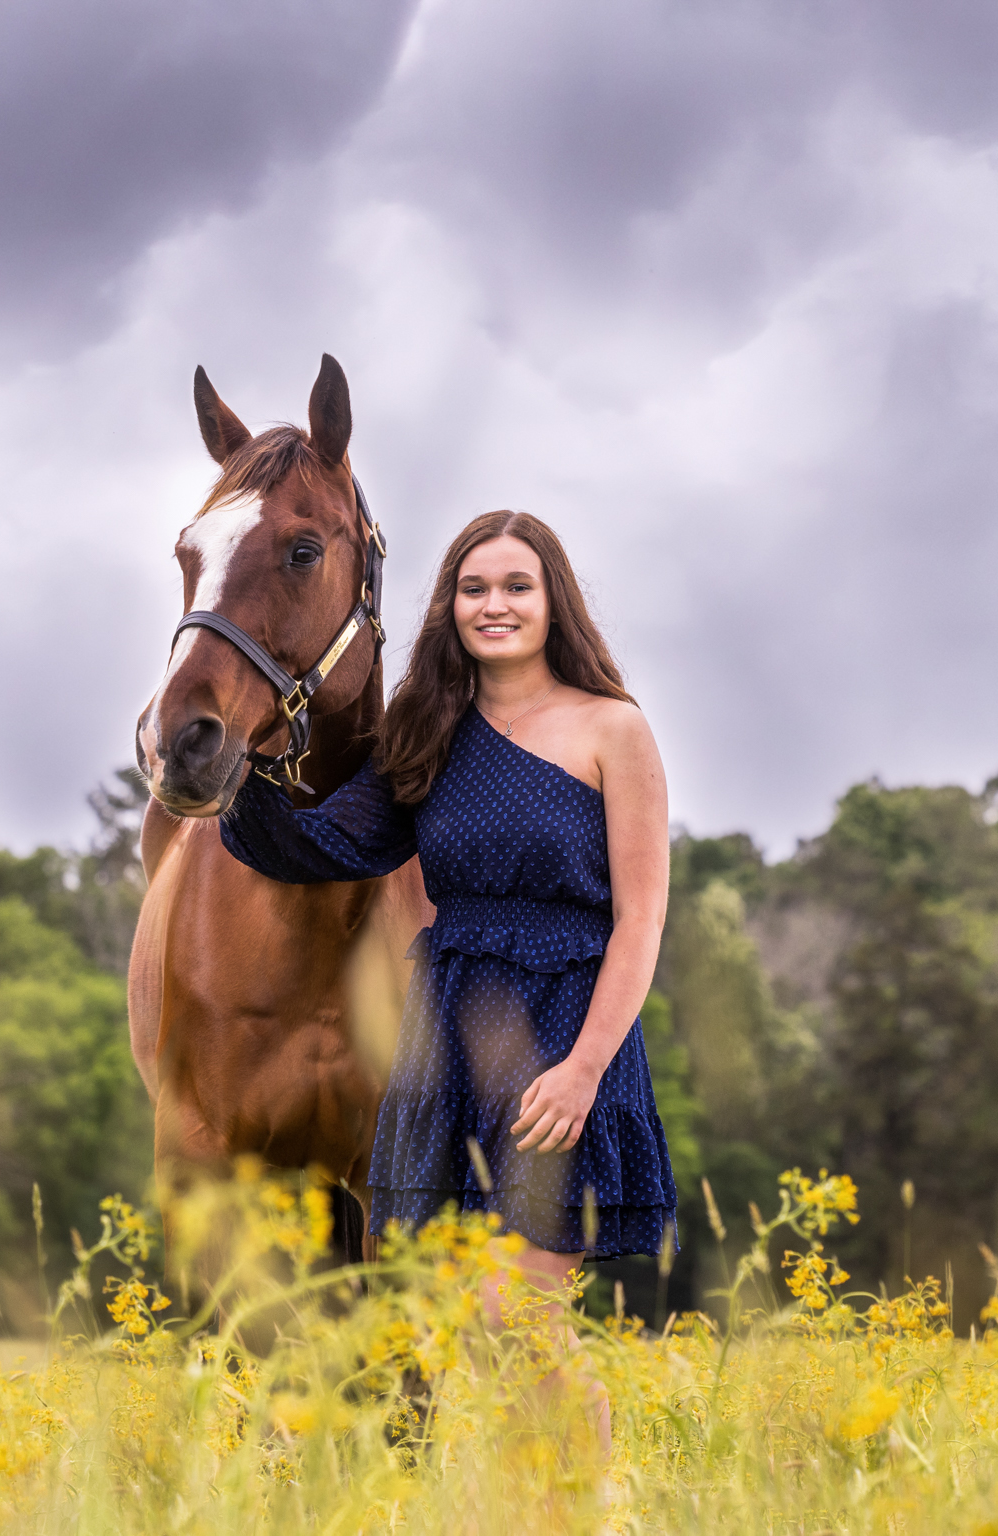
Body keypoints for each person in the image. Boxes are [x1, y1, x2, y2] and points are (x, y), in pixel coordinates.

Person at [218, 509, 676, 1454]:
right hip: (447, 1041)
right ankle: (524, 1503)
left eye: (517, 586)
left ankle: (598, 1512)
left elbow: (640, 922)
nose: (494, 605)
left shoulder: (613, 729)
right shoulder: (424, 733)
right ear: (448, 606)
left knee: (519, 1317)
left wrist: (585, 1068)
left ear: (555, 602)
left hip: (562, 1036)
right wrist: (242, 764)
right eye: (474, 588)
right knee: (463, 1323)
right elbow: (326, 844)